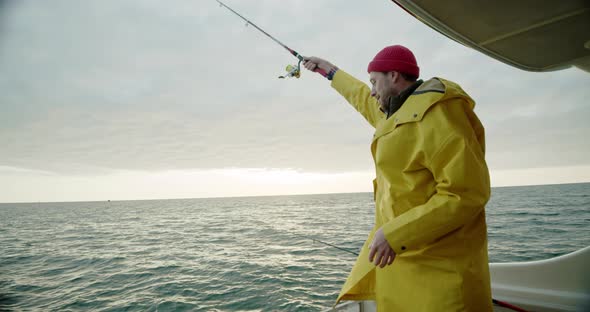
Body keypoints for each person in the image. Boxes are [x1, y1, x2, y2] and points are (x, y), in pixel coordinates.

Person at [303, 45, 493, 311]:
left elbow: (466, 194)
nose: (371, 90)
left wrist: (394, 234)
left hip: (440, 272)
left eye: (374, 81)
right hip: (401, 261)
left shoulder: (440, 115)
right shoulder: (393, 113)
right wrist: (328, 70)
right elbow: (360, 96)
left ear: (393, 76)